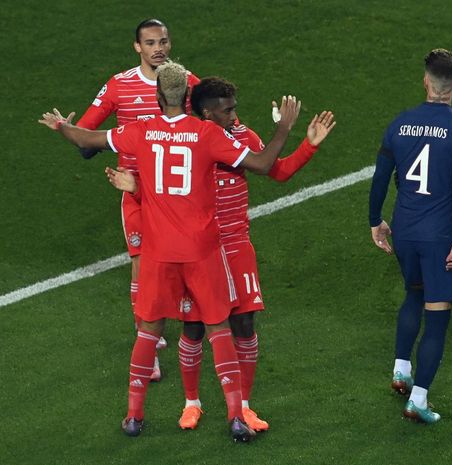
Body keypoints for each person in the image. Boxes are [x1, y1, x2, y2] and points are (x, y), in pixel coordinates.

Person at [38, 61, 301, 441]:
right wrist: (284, 129)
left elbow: (85, 140)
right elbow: (262, 164)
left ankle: (133, 416)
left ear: (158, 96)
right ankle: (236, 417)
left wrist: (62, 126)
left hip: (159, 252)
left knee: (148, 332)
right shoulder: (206, 133)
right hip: (200, 250)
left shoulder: (140, 131)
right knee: (218, 328)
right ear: (188, 96)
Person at [176, 77, 336, 432]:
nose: (235, 115)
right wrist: (283, 129)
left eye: (235, 107)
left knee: (244, 325)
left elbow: (276, 171)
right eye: (227, 109)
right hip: (198, 249)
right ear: (206, 112)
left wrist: (308, 146)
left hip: (236, 245)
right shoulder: (187, 140)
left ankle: (244, 407)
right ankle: (192, 402)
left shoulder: (243, 137)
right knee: (193, 326)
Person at [76, 19, 200, 380]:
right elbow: (87, 134)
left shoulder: (185, 82)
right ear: (137, 48)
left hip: (179, 193)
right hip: (138, 192)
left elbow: (213, 122)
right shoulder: (120, 85)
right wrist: (81, 138)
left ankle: (195, 324)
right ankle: (148, 342)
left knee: (187, 262)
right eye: (150, 43)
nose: (157, 48)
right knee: (143, 264)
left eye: (162, 41)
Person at [368, 49, 452, 423]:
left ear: (426, 82)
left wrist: (375, 221)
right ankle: (419, 399)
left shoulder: (400, 124)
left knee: (413, 293)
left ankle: (400, 367)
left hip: (406, 232)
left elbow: (381, 178)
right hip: (440, 237)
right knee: (438, 315)